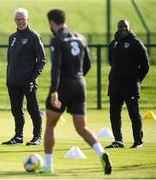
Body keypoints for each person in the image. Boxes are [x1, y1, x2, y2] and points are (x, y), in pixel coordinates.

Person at [38, 9, 112, 175]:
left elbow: (56, 67)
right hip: (80, 84)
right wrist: (77, 78)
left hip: (63, 86)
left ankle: (48, 166)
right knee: (82, 127)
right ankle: (102, 152)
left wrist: (54, 92)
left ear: (51, 22)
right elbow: (88, 64)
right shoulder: (80, 37)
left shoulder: (57, 40)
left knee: (50, 124)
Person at [2, 8, 46, 146]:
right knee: (16, 109)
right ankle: (18, 137)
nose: (21, 21)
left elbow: (42, 60)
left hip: (28, 81)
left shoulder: (34, 36)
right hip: (13, 81)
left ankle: (37, 137)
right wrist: (9, 77)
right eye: (18, 19)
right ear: (15, 20)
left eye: (23, 19)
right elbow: (10, 60)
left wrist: (33, 78)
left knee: (33, 108)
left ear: (28, 19)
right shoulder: (12, 37)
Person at [105, 20, 150, 149]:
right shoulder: (113, 44)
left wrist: (136, 79)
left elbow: (145, 66)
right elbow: (111, 62)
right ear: (117, 28)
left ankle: (138, 141)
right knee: (114, 114)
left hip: (130, 85)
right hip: (115, 85)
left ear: (129, 28)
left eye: (125, 26)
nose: (123, 28)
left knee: (133, 113)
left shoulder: (135, 43)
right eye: (120, 26)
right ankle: (118, 141)